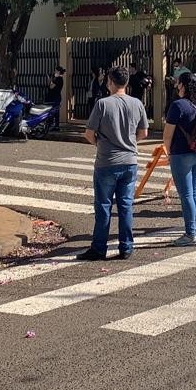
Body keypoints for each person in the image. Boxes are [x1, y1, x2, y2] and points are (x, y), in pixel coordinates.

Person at [79, 67, 149, 261]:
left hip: (107, 160)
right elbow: (143, 133)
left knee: (103, 205)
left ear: (110, 81)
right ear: (126, 82)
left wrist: (100, 143)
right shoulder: (137, 103)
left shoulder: (102, 104)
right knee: (126, 205)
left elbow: (89, 133)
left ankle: (99, 247)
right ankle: (126, 246)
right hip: (130, 160)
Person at [164, 71, 196, 247]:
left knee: (186, 195)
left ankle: (190, 234)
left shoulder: (178, 105)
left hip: (181, 153)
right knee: (194, 192)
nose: (177, 86)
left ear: (182, 85)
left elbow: (168, 135)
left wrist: (168, 153)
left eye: (178, 84)